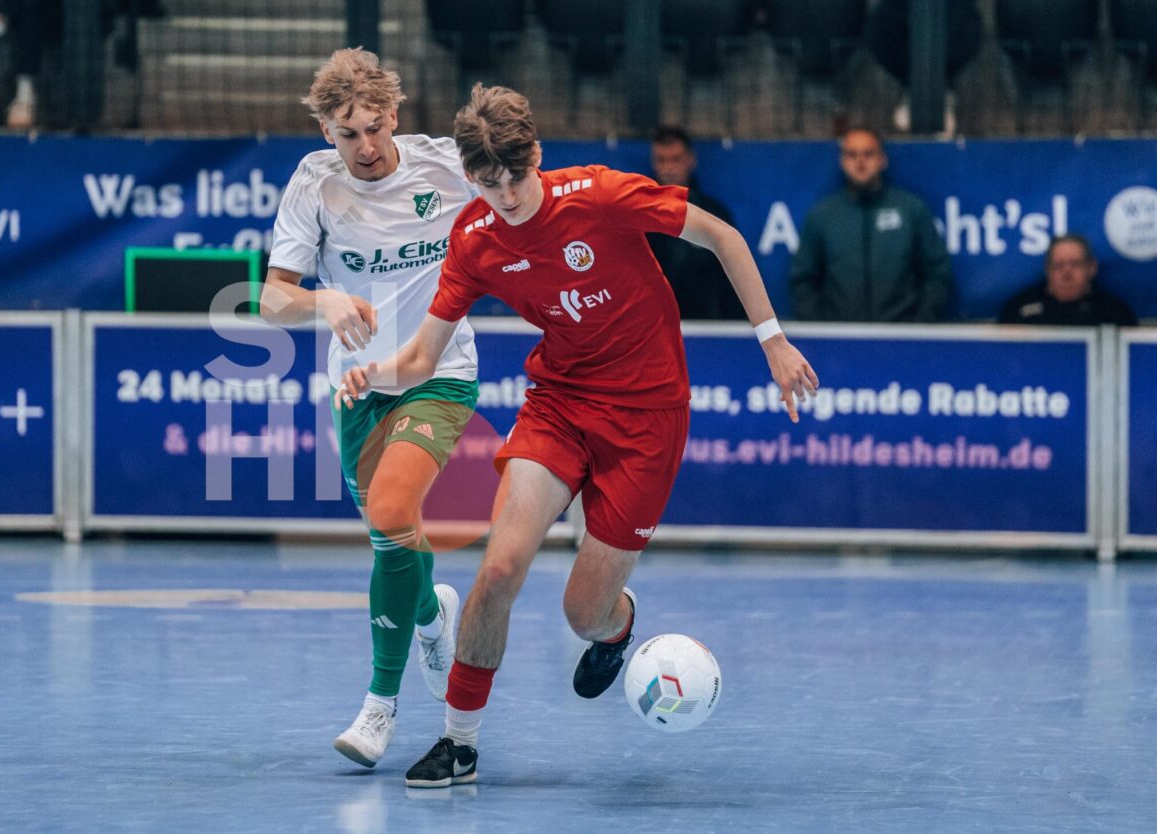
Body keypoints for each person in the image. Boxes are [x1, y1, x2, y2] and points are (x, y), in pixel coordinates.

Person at [337, 84, 817, 787]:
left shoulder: (601, 195)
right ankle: (459, 743)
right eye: (489, 183)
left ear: (536, 154)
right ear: (470, 175)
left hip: (648, 418)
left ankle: (615, 629)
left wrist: (772, 340)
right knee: (498, 570)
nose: (506, 196)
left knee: (582, 614)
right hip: (559, 404)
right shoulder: (474, 239)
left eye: (515, 177)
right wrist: (372, 373)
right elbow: (420, 359)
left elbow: (723, 236)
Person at [259, 48, 479, 771]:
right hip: (357, 387)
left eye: (376, 127)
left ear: (395, 115)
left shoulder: (445, 165)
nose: (366, 147)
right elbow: (272, 299)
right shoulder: (315, 183)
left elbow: (523, 197)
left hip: (439, 374)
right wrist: (323, 300)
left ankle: (379, 706)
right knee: (394, 531)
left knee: (390, 517)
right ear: (326, 131)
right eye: (348, 133)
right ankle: (432, 616)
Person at [790, 127, 953, 322]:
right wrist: (821, 329)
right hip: (838, 334)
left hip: (902, 333)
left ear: (882, 159)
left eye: (868, 154)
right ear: (842, 161)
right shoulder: (822, 215)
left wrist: (920, 325)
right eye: (852, 155)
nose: (860, 162)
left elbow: (937, 273)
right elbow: (803, 279)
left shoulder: (911, 210)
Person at [646, 126, 743, 320]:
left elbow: (732, 279)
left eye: (676, 159)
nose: (668, 168)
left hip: (707, 324)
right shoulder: (640, 217)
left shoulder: (714, 214)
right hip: (655, 322)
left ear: (690, 160)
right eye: (661, 160)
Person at [998, 234, 1138, 326]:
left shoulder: (1114, 313)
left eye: (1076, 264)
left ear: (1092, 267)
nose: (1067, 273)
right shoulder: (1020, 309)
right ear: (1047, 270)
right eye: (1058, 265)